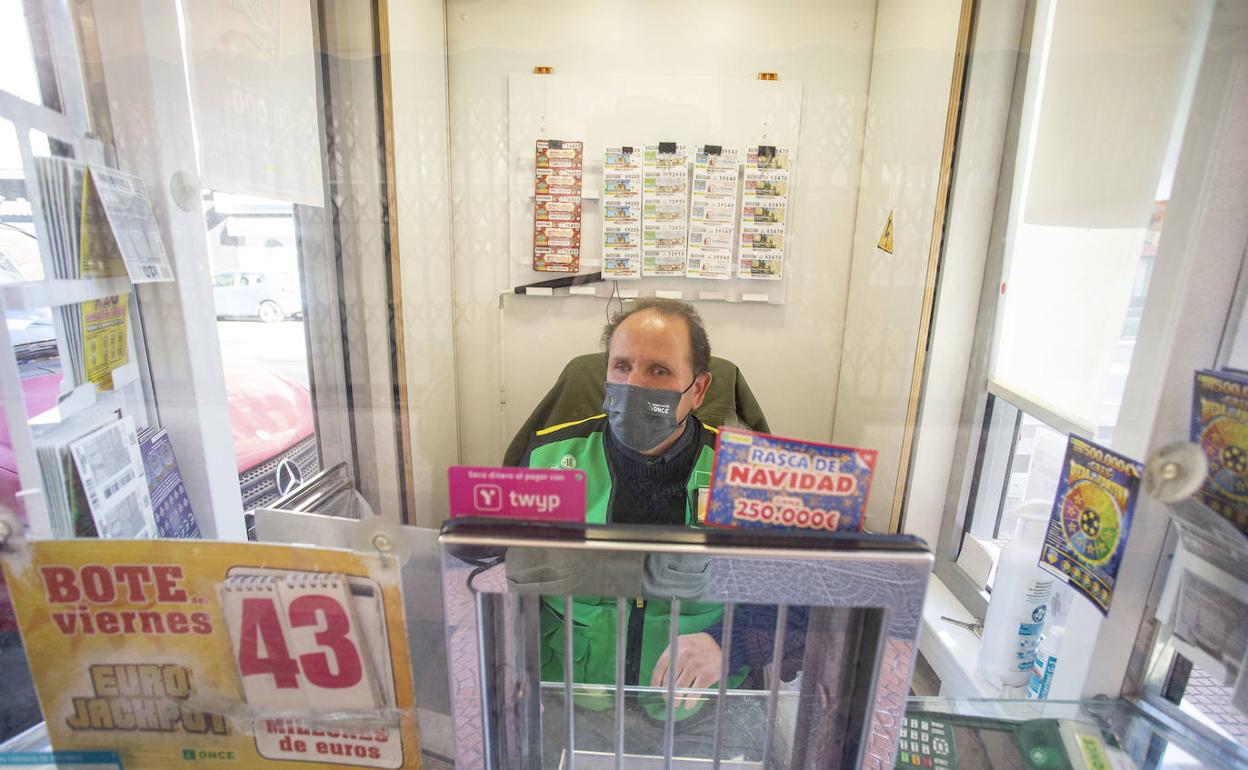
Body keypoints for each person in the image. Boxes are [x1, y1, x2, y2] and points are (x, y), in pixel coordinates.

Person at [516, 299, 775, 762]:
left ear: (698, 389)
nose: (634, 383)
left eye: (658, 371)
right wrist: (514, 676)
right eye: (622, 366)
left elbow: (796, 594)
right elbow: (497, 575)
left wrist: (727, 644)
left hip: (699, 709)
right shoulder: (549, 459)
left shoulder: (747, 472)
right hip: (572, 699)